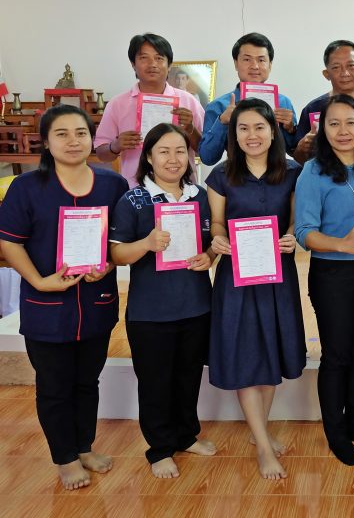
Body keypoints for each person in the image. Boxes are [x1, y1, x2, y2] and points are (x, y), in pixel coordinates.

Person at [0, 105, 128, 490]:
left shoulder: (112, 185)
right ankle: (65, 457)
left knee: (88, 381)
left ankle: (84, 446)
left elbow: (120, 240)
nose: (73, 141)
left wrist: (108, 263)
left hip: (96, 300)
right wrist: (39, 282)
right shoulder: (27, 187)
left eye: (81, 133)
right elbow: (9, 242)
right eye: (62, 134)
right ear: (46, 142)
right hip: (47, 307)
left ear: (92, 138)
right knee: (54, 386)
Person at [206, 98, 306, 479]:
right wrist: (217, 240)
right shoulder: (220, 175)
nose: (252, 135)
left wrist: (292, 236)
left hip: (278, 276)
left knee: (270, 351)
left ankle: (258, 430)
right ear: (234, 134)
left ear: (273, 130)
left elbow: (295, 222)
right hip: (237, 278)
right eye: (243, 128)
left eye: (259, 127)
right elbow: (217, 224)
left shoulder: (293, 172)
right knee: (246, 353)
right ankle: (263, 445)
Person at [109, 123, 217, 479]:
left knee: (188, 377)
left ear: (190, 157)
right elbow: (117, 254)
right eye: (164, 151)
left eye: (180, 151)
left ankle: (186, 435)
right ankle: (159, 448)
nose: (173, 159)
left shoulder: (200, 196)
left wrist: (209, 257)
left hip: (196, 305)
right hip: (150, 313)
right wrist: (146, 244)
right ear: (150, 158)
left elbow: (210, 243)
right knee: (155, 382)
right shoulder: (133, 200)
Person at [294, 94, 354, 466]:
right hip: (331, 273)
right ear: (323, 129)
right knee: (337, 356)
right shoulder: (313, 171)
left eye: (350, 122)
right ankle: (336, 435)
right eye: (333, 124)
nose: (343, 130)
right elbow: (304, 232)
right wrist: (342, 244)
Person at [94, 33, 205, 188]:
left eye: (159, 58)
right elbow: (101, 154)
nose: (152, 64)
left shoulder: (189, 101)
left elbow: (206, 153)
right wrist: (116, 146)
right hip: (135, 190)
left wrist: (190, 129)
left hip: (182, 191)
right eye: (144, 58)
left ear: (169, 65)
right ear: (133, 64)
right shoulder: (117, 104)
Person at [199, 32, 297, 165]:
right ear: (236, 63)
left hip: (278, 174)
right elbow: (208, 158)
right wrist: (222, 122)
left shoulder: (283, 103)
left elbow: (295, 152)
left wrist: (291, 129)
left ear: (270, 65)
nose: (255, 66)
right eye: (247, 59)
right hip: (236, 175)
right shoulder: (219, 106)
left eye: (261, 60)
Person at [293, 40, 354, 165]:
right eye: (336, 67)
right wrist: (301, 148)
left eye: (351, 66)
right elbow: (299, 159)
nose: (345, 73)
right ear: (326, 74)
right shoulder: (312, 109)